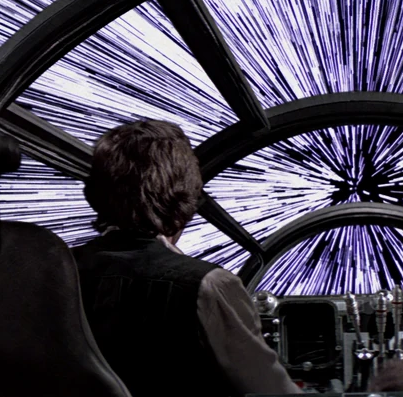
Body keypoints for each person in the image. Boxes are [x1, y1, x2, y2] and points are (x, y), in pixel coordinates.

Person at [73, 120, 301, 397]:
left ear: (94, 193)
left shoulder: (55, 273)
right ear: (184, 196)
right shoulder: (208, 285)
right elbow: (271, 389)